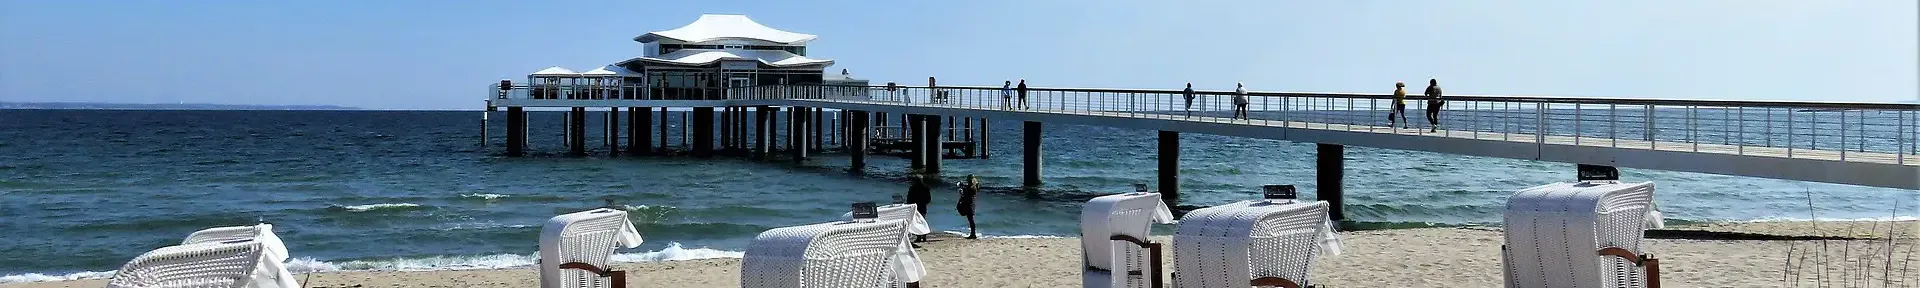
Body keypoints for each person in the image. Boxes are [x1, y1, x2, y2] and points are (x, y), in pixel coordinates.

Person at [905, 171, 932, 242]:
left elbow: (909, 198)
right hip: (922, 206)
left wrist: (909, 206)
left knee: (916, 222)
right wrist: (925, 202)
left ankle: (919, 237)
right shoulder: (925, 187)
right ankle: (924, 236)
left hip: (915, 207)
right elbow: (928, 198)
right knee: (923, 221)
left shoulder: (912, 188)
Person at [956, 174, 981, 239]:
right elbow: (967, 189)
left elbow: (967, 192)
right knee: (970, 219)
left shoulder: (972, 187)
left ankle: (973, 234)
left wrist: (962, 190)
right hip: (971, 204)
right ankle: (973, 234)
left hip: (969, 204)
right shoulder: (974, 186)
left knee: (971, 219)